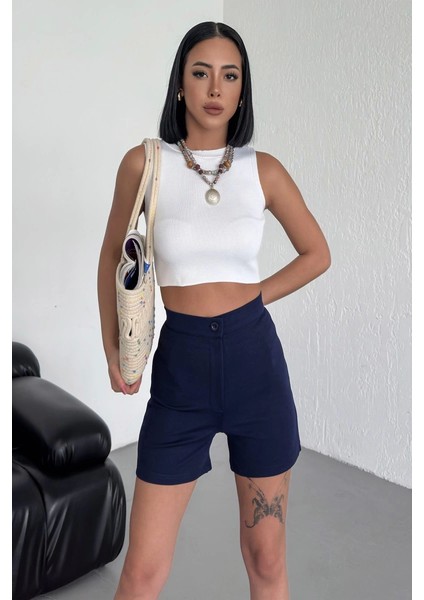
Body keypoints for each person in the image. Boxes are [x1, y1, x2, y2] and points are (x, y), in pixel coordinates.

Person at [97, 21, 331, 600]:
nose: (215, 88)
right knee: (142, 572)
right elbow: (111, 259)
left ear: (243, 90)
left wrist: (255, 297)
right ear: (181, 83)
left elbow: (317, 254)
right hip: (182, 368)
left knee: (266, 559)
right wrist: (114, 348)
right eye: (201, 72)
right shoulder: (145, 165)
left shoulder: (263, 170)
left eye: (230, 75)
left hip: (256, 365)